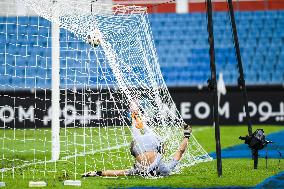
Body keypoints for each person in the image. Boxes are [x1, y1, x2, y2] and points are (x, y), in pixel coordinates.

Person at [82, 103, 192, 177]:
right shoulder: (139, 171)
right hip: (137, 148)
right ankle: (135, 119)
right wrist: (97, 173)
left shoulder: (166, 170)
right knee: (137, 135)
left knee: (157, 141)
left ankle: (137, 118)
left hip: (152, 142)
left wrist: (186, 135)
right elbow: (119, 172)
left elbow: (180, 152)